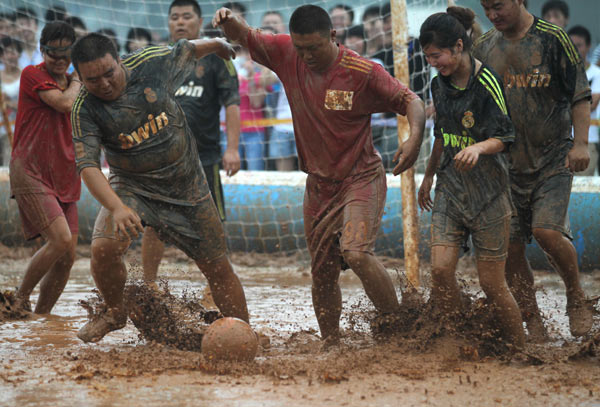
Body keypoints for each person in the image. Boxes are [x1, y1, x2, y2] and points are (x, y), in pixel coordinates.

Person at [213, 4, 426, 342]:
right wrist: (227, 18)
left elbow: (411, 100)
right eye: (301, 48)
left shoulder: (362, 71)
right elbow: (244, 35)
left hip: (361, 177)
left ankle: (397, 327)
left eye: (314, 47)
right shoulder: (286, 52)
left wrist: (414, 139)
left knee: (356, 253)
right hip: (319, 185)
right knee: (322, 273)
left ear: (333, 36)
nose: (307, 55)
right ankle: (331, 341)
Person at [70, 32, 249, 343]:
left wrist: (219, 44)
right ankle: (113, 311)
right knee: (102, 247)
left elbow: (190, 49)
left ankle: (246, 333)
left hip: (188, 187)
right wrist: (116, 206)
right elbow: (88, 166)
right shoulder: (84, 109)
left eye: (109, 73)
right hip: (132, 189)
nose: (104, 84)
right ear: (80, 78)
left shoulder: (151, 62)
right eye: (92, 80)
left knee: (218, 267)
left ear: (119, 61)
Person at [473, 0, 593, 339]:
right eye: (486, 9)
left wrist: (580, 143)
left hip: (553, 157)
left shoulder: (553, 39)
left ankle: (575, 296)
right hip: (503, 166)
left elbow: (579, 95)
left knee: (546, 232)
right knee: (509, 248)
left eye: (498, 6)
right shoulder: (483, 46)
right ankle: (532, 318)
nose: (493, 15)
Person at [418, 7, 525, 348]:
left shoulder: (488, 81)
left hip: (489, 195)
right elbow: (441, 135)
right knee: (439, 271)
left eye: (438, 56)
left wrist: (479, 148)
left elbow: (506, 136)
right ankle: (457, 334)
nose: (434, 63)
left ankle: (520, 349)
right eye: (429, 58)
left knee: (493, 283)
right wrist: (427, 177)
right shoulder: (438, 84)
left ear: (459, 46)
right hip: (450, 189)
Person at [142, 0, 241, 284]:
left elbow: (232, 103)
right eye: (174, 17)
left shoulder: (218, 56)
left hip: (203, 157)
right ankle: (149, 284)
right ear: (168, 23)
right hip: (161, 159)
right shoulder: (155, 58)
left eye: (187, 17)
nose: (180, 22)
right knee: (153, 224)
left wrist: (232, 149)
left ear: (199, 22)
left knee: (212, 222)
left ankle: (219, 283)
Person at [8, 22, 82, 315]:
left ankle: (42, 317)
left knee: (67, 257)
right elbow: (64, 104)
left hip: (66, 173)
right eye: (53, 53)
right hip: (31, 170)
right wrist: (78, 81)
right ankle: (17, 300)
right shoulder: (32, 74)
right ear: (42, 50)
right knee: (60, 240)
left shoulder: (78, 83)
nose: (60, 59)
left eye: (66, 53)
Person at [568, 25, 600, 176]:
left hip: (588, 142)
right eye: (571, 45)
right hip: (563, 143)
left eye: (579, 45)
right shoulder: (562, 73)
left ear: (588, 46)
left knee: (582, 187)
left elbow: (591, 105)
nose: (575, 50)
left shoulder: (597, 73)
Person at [0, 37, 22, 164]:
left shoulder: (25, 75)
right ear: (2, 56)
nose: (11, 56)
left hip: (14, 131)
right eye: (7, 53)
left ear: (19, 54)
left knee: (9, 165)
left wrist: (8, 104)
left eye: (14, 52)